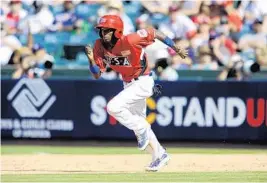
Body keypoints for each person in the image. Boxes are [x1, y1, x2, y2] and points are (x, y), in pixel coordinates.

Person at [84, 15, 188, 172]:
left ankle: (143, 128)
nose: (104, 33)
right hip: (128, 84)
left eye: (108, 30)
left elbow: (154, 32)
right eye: (102, 30)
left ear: (117, 31)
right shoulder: (99, 45)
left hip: (143, 81)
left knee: (113, 107)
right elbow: (97, 74)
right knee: (138, 125)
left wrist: (176, 47)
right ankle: (160, 155)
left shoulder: (130, 40)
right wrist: (91, 60)